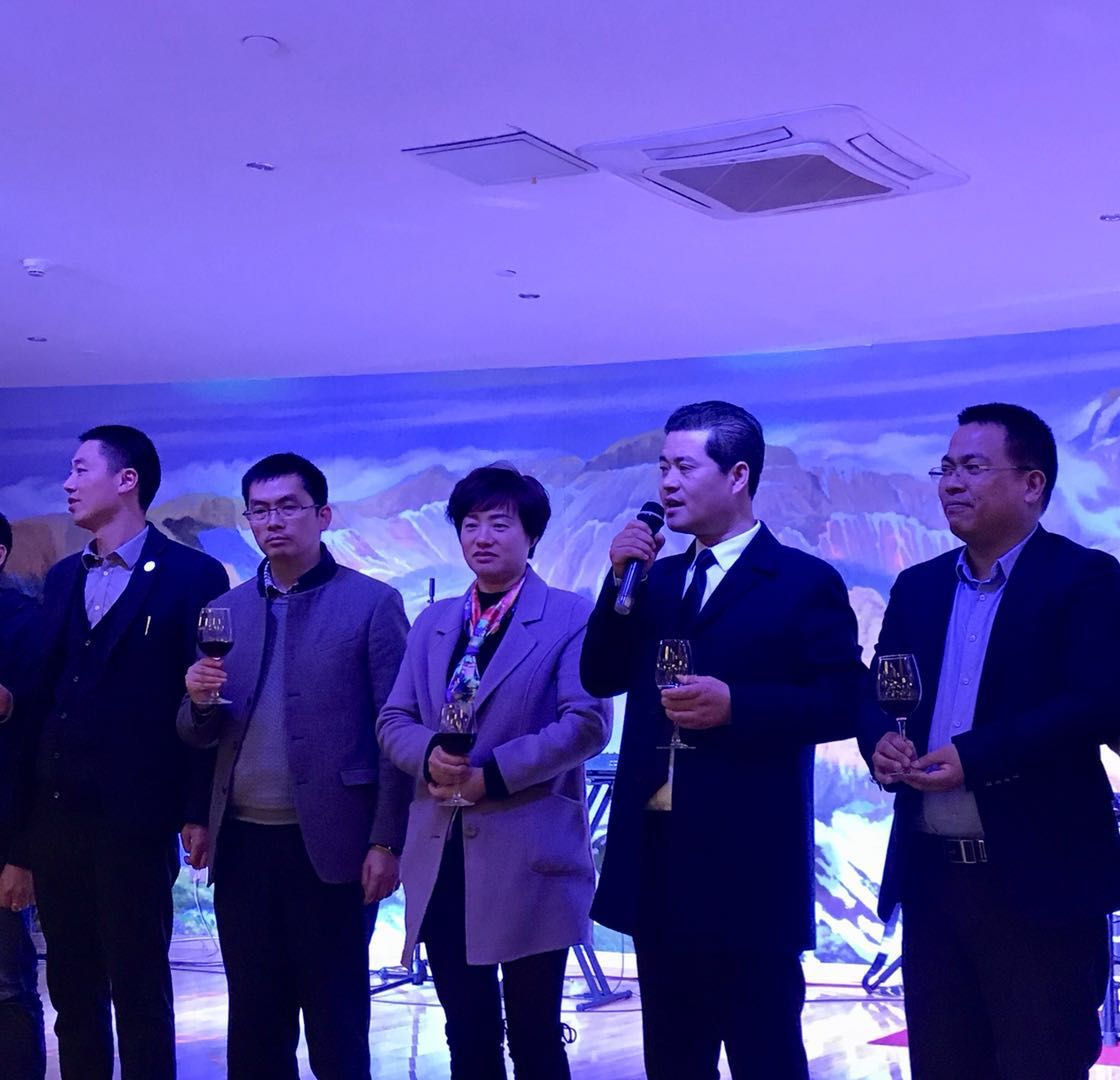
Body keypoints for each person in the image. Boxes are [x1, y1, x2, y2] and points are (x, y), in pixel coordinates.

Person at [580, 401, 866, 1080]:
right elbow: (601, 674)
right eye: (662, 468)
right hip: (659, 860)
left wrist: (739, 705)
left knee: (765, 1055)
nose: (667, 483)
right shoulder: (656, 580)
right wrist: (615, 581)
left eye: (685, 467)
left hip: (749, 866)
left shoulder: (800, 581)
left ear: (738, 475)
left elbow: (845, 700)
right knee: (673, 1060)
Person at [859, 403, 1120, 1080]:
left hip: (1041, 881)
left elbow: (1096, 702)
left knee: (1042, 1064)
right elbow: (878, 692)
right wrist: (880, 743)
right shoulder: (919, 587)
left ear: (1032, 483)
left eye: (973, 468)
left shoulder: (1083, 577)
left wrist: (975, 758)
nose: (952, 483)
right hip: (933, 880)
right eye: (946, 469)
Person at [0, 425, 229, 1078]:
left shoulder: (192, 574)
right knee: (71, 994)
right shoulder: (62, 577)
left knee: (140, 990)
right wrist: (21, 837)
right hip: (56, 816)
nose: (67, 484)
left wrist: (195, 809)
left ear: (127, 480)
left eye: (80, 469)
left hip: (136, 820)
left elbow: (206, 698)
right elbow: (42, 700)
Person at [176, 452, 410, 1079]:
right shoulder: (225, 609)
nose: (273, 521)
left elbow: (398, 732)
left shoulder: (372, 604)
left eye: (288, 507)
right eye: (259, 510)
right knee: (254, 1021)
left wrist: (387, 840)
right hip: (243, 846)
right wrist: (196, 706)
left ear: (322, 515)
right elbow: (199, 731)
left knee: (337, 1022)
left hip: (334, 845)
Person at [377, 464, 610, 1080]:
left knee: (535, 1035)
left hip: (528, 849)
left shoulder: (569, 615)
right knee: (466, 1031)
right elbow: (394, 718)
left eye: (500, 524)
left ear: (531, 535)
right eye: (471, 524)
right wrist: (428, 753)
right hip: (441, 852)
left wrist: (493, 776)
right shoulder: (433, 623)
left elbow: (586, 722)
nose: (482, 537)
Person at [0, 511, 45, 1079]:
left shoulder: (26, 623)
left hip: (5, 835)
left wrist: (22, 854)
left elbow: (41, 744)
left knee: (8, 986)